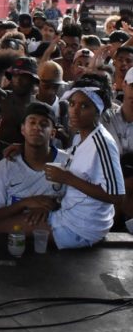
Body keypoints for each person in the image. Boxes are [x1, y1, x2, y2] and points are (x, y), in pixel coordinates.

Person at [38, 77, 126, 248]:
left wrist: (68, 179)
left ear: (98, 111)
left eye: (84, 106)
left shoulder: (103, 143)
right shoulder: (81, 136)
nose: (74, 111)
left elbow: (116, 196)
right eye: (72, 104)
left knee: (4, 227)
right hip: (69, 215)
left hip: (82, 228)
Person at [0, 102, 62, 233]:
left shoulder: (67, 163)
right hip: (13, 240)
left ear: (53, 133)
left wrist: (50, 207)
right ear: (23, 129)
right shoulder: (6, 165)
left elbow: (77, 208)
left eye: (44, 124)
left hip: (53, 240)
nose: (37, 127)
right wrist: (25, 203)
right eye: (32, 122)